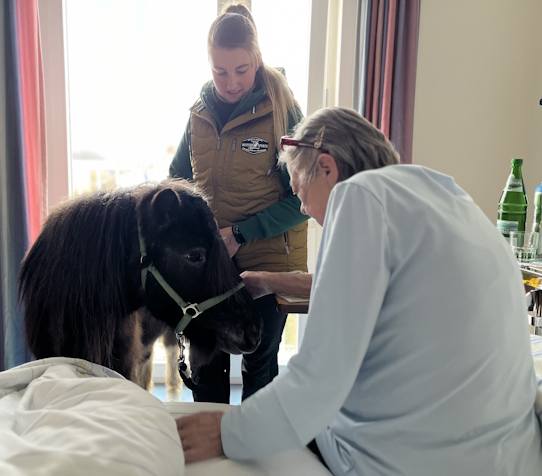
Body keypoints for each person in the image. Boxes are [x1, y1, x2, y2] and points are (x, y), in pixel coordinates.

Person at [176, 107, 542, 475]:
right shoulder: (443, 196)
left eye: (300, 192)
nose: (304, 209)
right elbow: (374, 289)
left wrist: (227, 432)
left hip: (406, 461)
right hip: (507, 454)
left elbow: (317, 381)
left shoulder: (359, 195)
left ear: (327, 168)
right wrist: (269, 280)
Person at [169, 2, 309, 403]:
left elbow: (302, 200)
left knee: (258, 367)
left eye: (241, 70)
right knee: (206, 362)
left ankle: (255, 459)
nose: (230, 82)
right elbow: (176, 180)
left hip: (268, 263)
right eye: (220, 71)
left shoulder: (285, 112)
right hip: (212, 264)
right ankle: (211, 457)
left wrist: (241, 233)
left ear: (258, 59)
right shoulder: (198, 115)